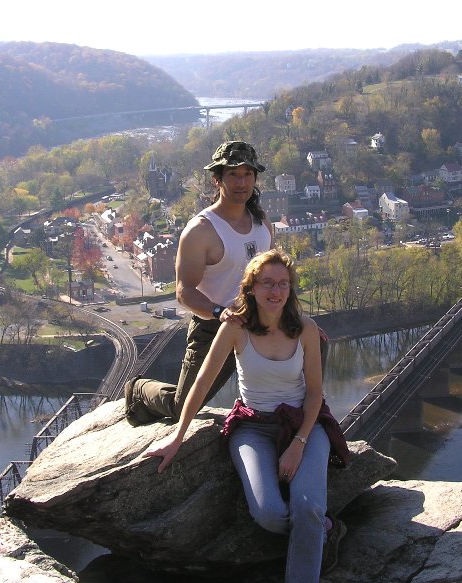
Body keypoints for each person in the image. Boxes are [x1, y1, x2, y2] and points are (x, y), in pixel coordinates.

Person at [143, 250, 349, 580]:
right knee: (269, 513)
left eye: (283, 283)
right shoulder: (235, 329)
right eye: (267, 283)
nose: (276, 291)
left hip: (303, 425)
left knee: (307, 507)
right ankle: (324, 529)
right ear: (251, 287)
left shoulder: (306, 329)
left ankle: (309, 546)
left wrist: (299, 443)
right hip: (252, 428)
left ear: (291, 289)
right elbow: (201, 383)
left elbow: (314, 394)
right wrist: (177, 436)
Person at [124, 140, 273, 425]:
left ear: (255, 178)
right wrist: (220, 312)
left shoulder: (262, 223)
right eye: (233, 174)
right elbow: (184, 292)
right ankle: (139, 389)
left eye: (248, 174)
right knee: (184, 408)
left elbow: (269, 275)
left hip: (259, 322)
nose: (242, 182)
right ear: (217, 179)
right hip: (215, 326)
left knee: (305, 359)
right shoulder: (201, 230)